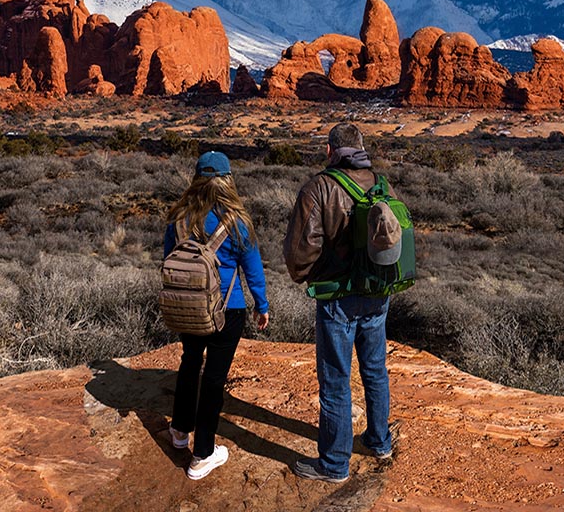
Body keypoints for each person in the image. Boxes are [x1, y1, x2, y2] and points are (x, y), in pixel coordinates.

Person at [284, 123, 396, 483]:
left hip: (337, 299)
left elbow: (300, 251)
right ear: (360, 149)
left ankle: (334, 464)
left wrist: (310, 277)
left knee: (335, 380)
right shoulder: (380, 184)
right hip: (377, 294)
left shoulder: (318, 188)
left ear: (330, 151)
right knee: (375, 370)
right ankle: (379, 441)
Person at [164, 150, 270, 480]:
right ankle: (202, 455)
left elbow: (169, 260)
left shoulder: (179, 217)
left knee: (189, 363)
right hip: (228, 308)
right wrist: (262, 305)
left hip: (188, 305)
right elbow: (253, 269)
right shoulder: (237, 221)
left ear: (197, 178)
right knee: (213, 378)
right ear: (227, 180)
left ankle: (179, 431)